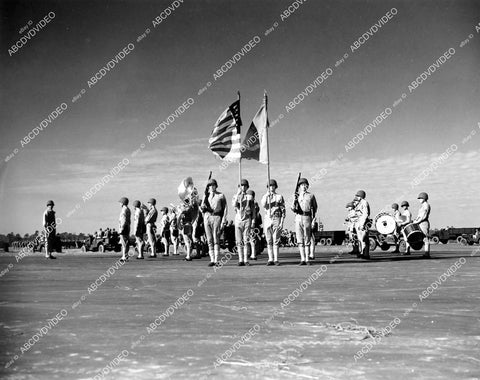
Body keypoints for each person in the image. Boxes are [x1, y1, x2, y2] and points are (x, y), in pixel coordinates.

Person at [200, 178, 227, 266]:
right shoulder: (205, 196)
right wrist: (202, 208)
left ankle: (216, 260)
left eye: (213, 185)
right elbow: (201, 209)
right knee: (209, 239)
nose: (211, 187)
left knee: (216, 239)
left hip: (216, 216)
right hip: (207, 217)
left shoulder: (221, 195)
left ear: (216, 186)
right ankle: (212, 259)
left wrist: (223, 220)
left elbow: (225, 209)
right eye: (209, 185)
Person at [291, 178, 318, 265]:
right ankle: (302, 259)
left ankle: (307, 259)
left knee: (307, 239)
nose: (304, 186)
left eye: (305, 185)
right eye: (302, 185)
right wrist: (294, 200)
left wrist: (313, 220)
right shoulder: (296, 196)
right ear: (299, 187)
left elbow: (314, 208)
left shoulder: (311, 196)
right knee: (300, 239)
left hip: (307, 217)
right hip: (298, 217)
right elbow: (292, 208)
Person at [261, 179, 286, 266]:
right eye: (269, 186)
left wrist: (282, 222)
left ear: (275, 187)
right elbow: (263, 204)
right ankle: (270, 259)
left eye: (273, 186)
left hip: (277, 217)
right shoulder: (265, 196)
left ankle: (276, 259)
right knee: (269, 240)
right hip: (268, 218)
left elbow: (283, 210)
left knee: (276, 239)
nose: (271, 187)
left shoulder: (279, 196)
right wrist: (267, 196)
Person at [232, 179, 256, 266]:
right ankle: (240, 259)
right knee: (239, 241)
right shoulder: (235, 196)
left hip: (247, 219)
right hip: (238, 219)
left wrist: (253, 220)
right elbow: (234, 205)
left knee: (246, 240)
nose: (243, 187)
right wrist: (238, 194)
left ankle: (246, 260)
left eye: (244, 186)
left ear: (247, 187)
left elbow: (253, 210)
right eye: (241, 185)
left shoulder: (250, 197)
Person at [354, 190, 370, 259]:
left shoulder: (364, 203)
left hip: (363, 223)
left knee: (364, 239)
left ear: (361, 196)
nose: (356, 197)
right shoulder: (360, 203)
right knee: (361, 239)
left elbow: (365, 214)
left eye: (358, 196)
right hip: (359, 222)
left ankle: (366, 254)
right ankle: (363, 253)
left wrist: (362, 224)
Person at [414, 192, 431, 258]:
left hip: (423, 223)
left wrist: (417, 221)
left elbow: (424, 216)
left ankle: (427, 254)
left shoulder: (426, 205)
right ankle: (426, 253)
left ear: (424, 198)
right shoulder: (423, 206)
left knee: (425, 238)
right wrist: (416, 220)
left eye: (420, 198)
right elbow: (419, 216)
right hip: (420, 223)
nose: (419, 200)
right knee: (423, 238)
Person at [247, 190, 262, 260]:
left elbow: (255, 212)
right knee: (249, 239)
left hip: (252, 223)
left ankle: (253, 254)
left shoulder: (254, 203)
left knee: (252, 239)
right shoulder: (250, 202)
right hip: (249, 222)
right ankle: (250, 253)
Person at [118, 197, 131, 262]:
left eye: (120, 202)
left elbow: (123, 220)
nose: (119, 204)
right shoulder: (128, 209)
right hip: (127, 227)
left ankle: (124, 257)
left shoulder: (124, 210)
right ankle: (126, 256)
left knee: (124, 243)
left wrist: (121, 229)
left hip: (124, 227)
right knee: (126, 242)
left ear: (123, 203)